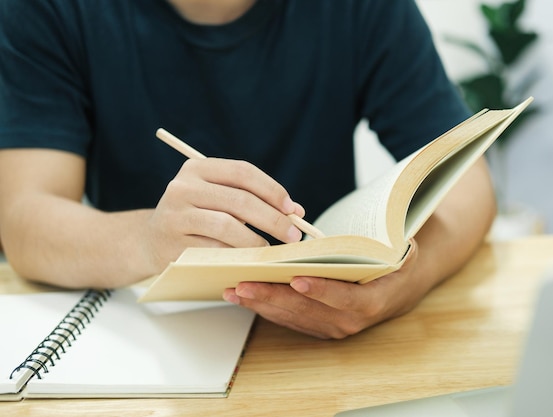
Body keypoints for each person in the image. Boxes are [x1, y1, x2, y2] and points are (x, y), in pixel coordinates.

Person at [0, 0, 496, 339]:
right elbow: (24, 218)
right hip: (148, 338)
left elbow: (468, 184)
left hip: (327, 349)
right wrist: (150, 239)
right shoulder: (47, 10)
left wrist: (412, 277)